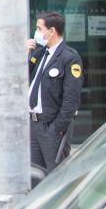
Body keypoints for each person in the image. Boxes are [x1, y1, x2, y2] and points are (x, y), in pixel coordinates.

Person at [27, 11, 83, 173]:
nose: (36, 33)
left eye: (39, 28)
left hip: (51, 126)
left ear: (51, 31)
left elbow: (71, 99)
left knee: (56, 176)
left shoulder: (69, 57)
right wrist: (25, 55)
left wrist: (57, 127)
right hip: (34, 125)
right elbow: (21, 78)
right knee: (35, 176)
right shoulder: (39, 54)